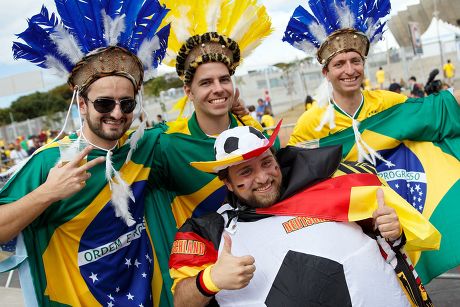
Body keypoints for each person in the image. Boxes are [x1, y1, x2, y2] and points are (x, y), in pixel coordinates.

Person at [0, 0, 171, 305]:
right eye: (104, 103)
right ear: (81, 105)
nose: (117, 113)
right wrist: (48, 193)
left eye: (127, 104)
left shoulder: (144, 147)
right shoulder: (49, 161)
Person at [283, 0, 460, 284]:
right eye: (339, 64)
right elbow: (297, 181)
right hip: (349, 229)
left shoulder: (390, 103)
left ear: (364, 65)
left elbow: (434, 115)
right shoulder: (309, 124)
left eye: (355, 61)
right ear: (326, 72)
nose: (349, 70)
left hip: (397, 219)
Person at [170, 125, 439, 306]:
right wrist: (210, 280)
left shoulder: (327, 186)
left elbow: (390, 250)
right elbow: (181, 300)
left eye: (266, 163)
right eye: (246, 172)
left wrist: (393, 231)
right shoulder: (209, 230)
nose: (263, 178)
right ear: (227, 182)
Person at [143, 0, 274, 302]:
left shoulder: (257, 137)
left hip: (269, 267)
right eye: (206, 82)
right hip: (207, 280)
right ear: (188, 92)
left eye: (224, 79)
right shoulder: (165, 145)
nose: (218, 89)